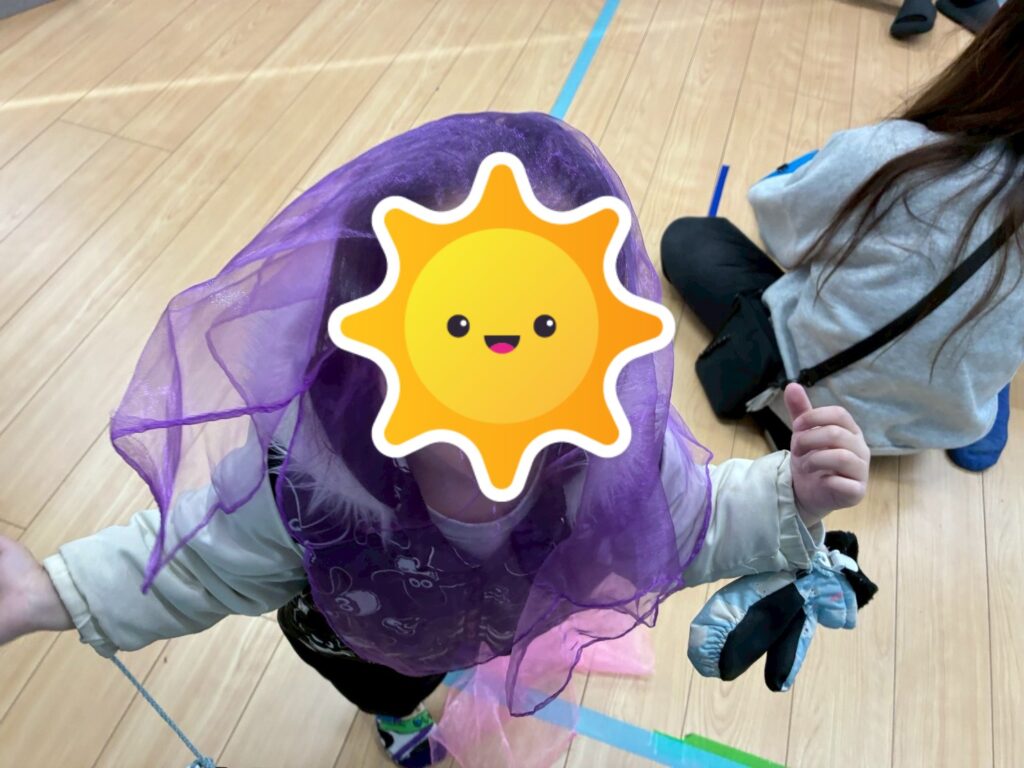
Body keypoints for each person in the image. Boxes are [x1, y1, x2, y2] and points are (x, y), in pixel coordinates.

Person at [0, 113, 870, 768]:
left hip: (502, 616)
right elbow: (197, 561)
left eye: (542, 331)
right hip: (360, 629)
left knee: (469, 648)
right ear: (365, 338)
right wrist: (46, 592)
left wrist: (792, 493)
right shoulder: (306, 470)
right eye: (452, 333)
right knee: (385, 682)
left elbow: (693, 522)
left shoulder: (606, 459)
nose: (496, 371)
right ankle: (398, 712)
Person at [662, 0, 1023, 472]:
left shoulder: (898, 154)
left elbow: (781, 228)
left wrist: (816, 167)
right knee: (984, 309)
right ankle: (981, 399)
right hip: (932, 427)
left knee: (688, 239)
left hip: (805, 403)